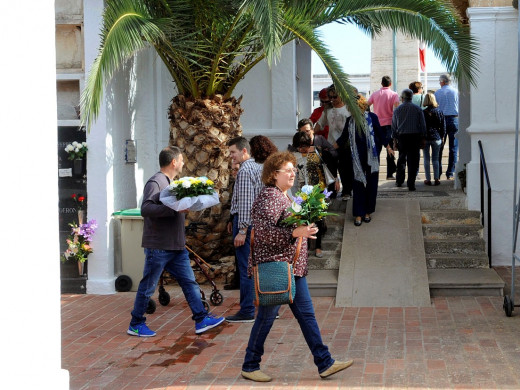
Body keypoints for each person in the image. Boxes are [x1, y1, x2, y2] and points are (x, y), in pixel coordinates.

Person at [240, 151, 353, 382]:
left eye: (294, 170)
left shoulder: (285, 195)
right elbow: (262, 234)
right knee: (266, 318)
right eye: (288, 170)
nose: (293, 173)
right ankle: (250, 365)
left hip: (291, 269)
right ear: (273, 175)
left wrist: (305, 229)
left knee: (307, 316)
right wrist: (295, 232)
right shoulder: (269, 197)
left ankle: (325, 362)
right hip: (276, 268)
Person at [127, 146, 225, 337]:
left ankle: (201, 319)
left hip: (176, 246)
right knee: (148, 286)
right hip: (159, 246)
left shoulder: (172, 182)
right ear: (174, 162)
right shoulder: (156, 182)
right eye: (181, 160)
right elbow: (146, 209)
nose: (183, 163)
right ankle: (136, 323)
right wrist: (174, 209)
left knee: (189, 282)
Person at [226, 136, 263, 323]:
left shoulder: (245, 171)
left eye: (233, 152)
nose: (231, 156)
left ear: (244, 151)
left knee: (246, 269)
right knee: (256, 267)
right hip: (255, 225)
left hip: (247, 227)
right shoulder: (257, 167)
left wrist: (242, 230)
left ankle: (247, 310)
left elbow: (247, 203)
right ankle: (267, 308)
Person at [336, 94, 385, 226]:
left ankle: (368, 211)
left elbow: (380, 134)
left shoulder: (373, 118)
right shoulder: (350, 120)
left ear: (361, 106)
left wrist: (388, 147)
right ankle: (359, 213)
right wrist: (328, 146)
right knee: (357, 184)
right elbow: (343, 137)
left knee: (371, 183)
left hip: (372, 157)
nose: (352, 109)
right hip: (356, 157)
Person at [292, 131, 331, 257]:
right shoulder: (295, 156)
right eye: (298, 147)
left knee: (318, 219)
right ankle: (307, 246)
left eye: (303, 146)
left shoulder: (317, 153)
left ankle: (318, 246)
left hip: (318, 190)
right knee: (305, 219)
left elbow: (328, 166)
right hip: (302, 192)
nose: (301, 149)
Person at [314, 84, 352, 200]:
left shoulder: (348, 109)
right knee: (330, 170)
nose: (332, 100)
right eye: (330, 97)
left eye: (335, 97)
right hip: (330, 145)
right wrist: (311, 134)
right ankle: (332, 193)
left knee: (345, 169)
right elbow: (320, 124)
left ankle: (346, 191)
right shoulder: (328, 110)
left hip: (345, 145)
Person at [391, 89, 427, 191]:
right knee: (413, 161)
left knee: (401, 159)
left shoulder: (397, 110)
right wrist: (423, 138)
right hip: (415, 137)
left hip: (402, 137)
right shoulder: (418, 109)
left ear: (402, 98)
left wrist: (394, 141)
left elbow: (394, 127)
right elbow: (423, 125)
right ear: (411, 98)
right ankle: (411, 184)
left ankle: (399, 181)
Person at [368, 76, 400, 180]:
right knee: (389, 149)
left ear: (381, 83)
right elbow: (397, 107)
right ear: (390, 84)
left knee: (376, 149)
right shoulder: (394, 94)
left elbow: (367, 104)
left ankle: (375, 172)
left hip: (376, 124)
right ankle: (390, 174)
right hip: (389, 124)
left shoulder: (375, 94)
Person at [434, 74, 459, 180]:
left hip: (441, 120)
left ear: (442, 82)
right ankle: (450, 172)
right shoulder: (456, 91)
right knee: (453, 148)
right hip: (454, 119)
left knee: (439, 147)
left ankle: (438, 172)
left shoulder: (437, 93)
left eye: (440, 81)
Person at [224, 162, 241, 290]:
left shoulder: (243, 181)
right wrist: (230, 220)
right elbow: (234, 203)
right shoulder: (235, 183)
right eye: (232, 170)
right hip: (235, 219)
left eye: (236, 170)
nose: (234, 172)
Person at [422, 92, 446, 186]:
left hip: (426, 138)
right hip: (436, 137)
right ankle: (437, 178)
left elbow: (421, 126)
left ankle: (428, 179)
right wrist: (442, 136)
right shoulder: (439, 111)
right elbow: (443, 126)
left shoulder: (423, 112)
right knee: (435, 159)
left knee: (426, 159)